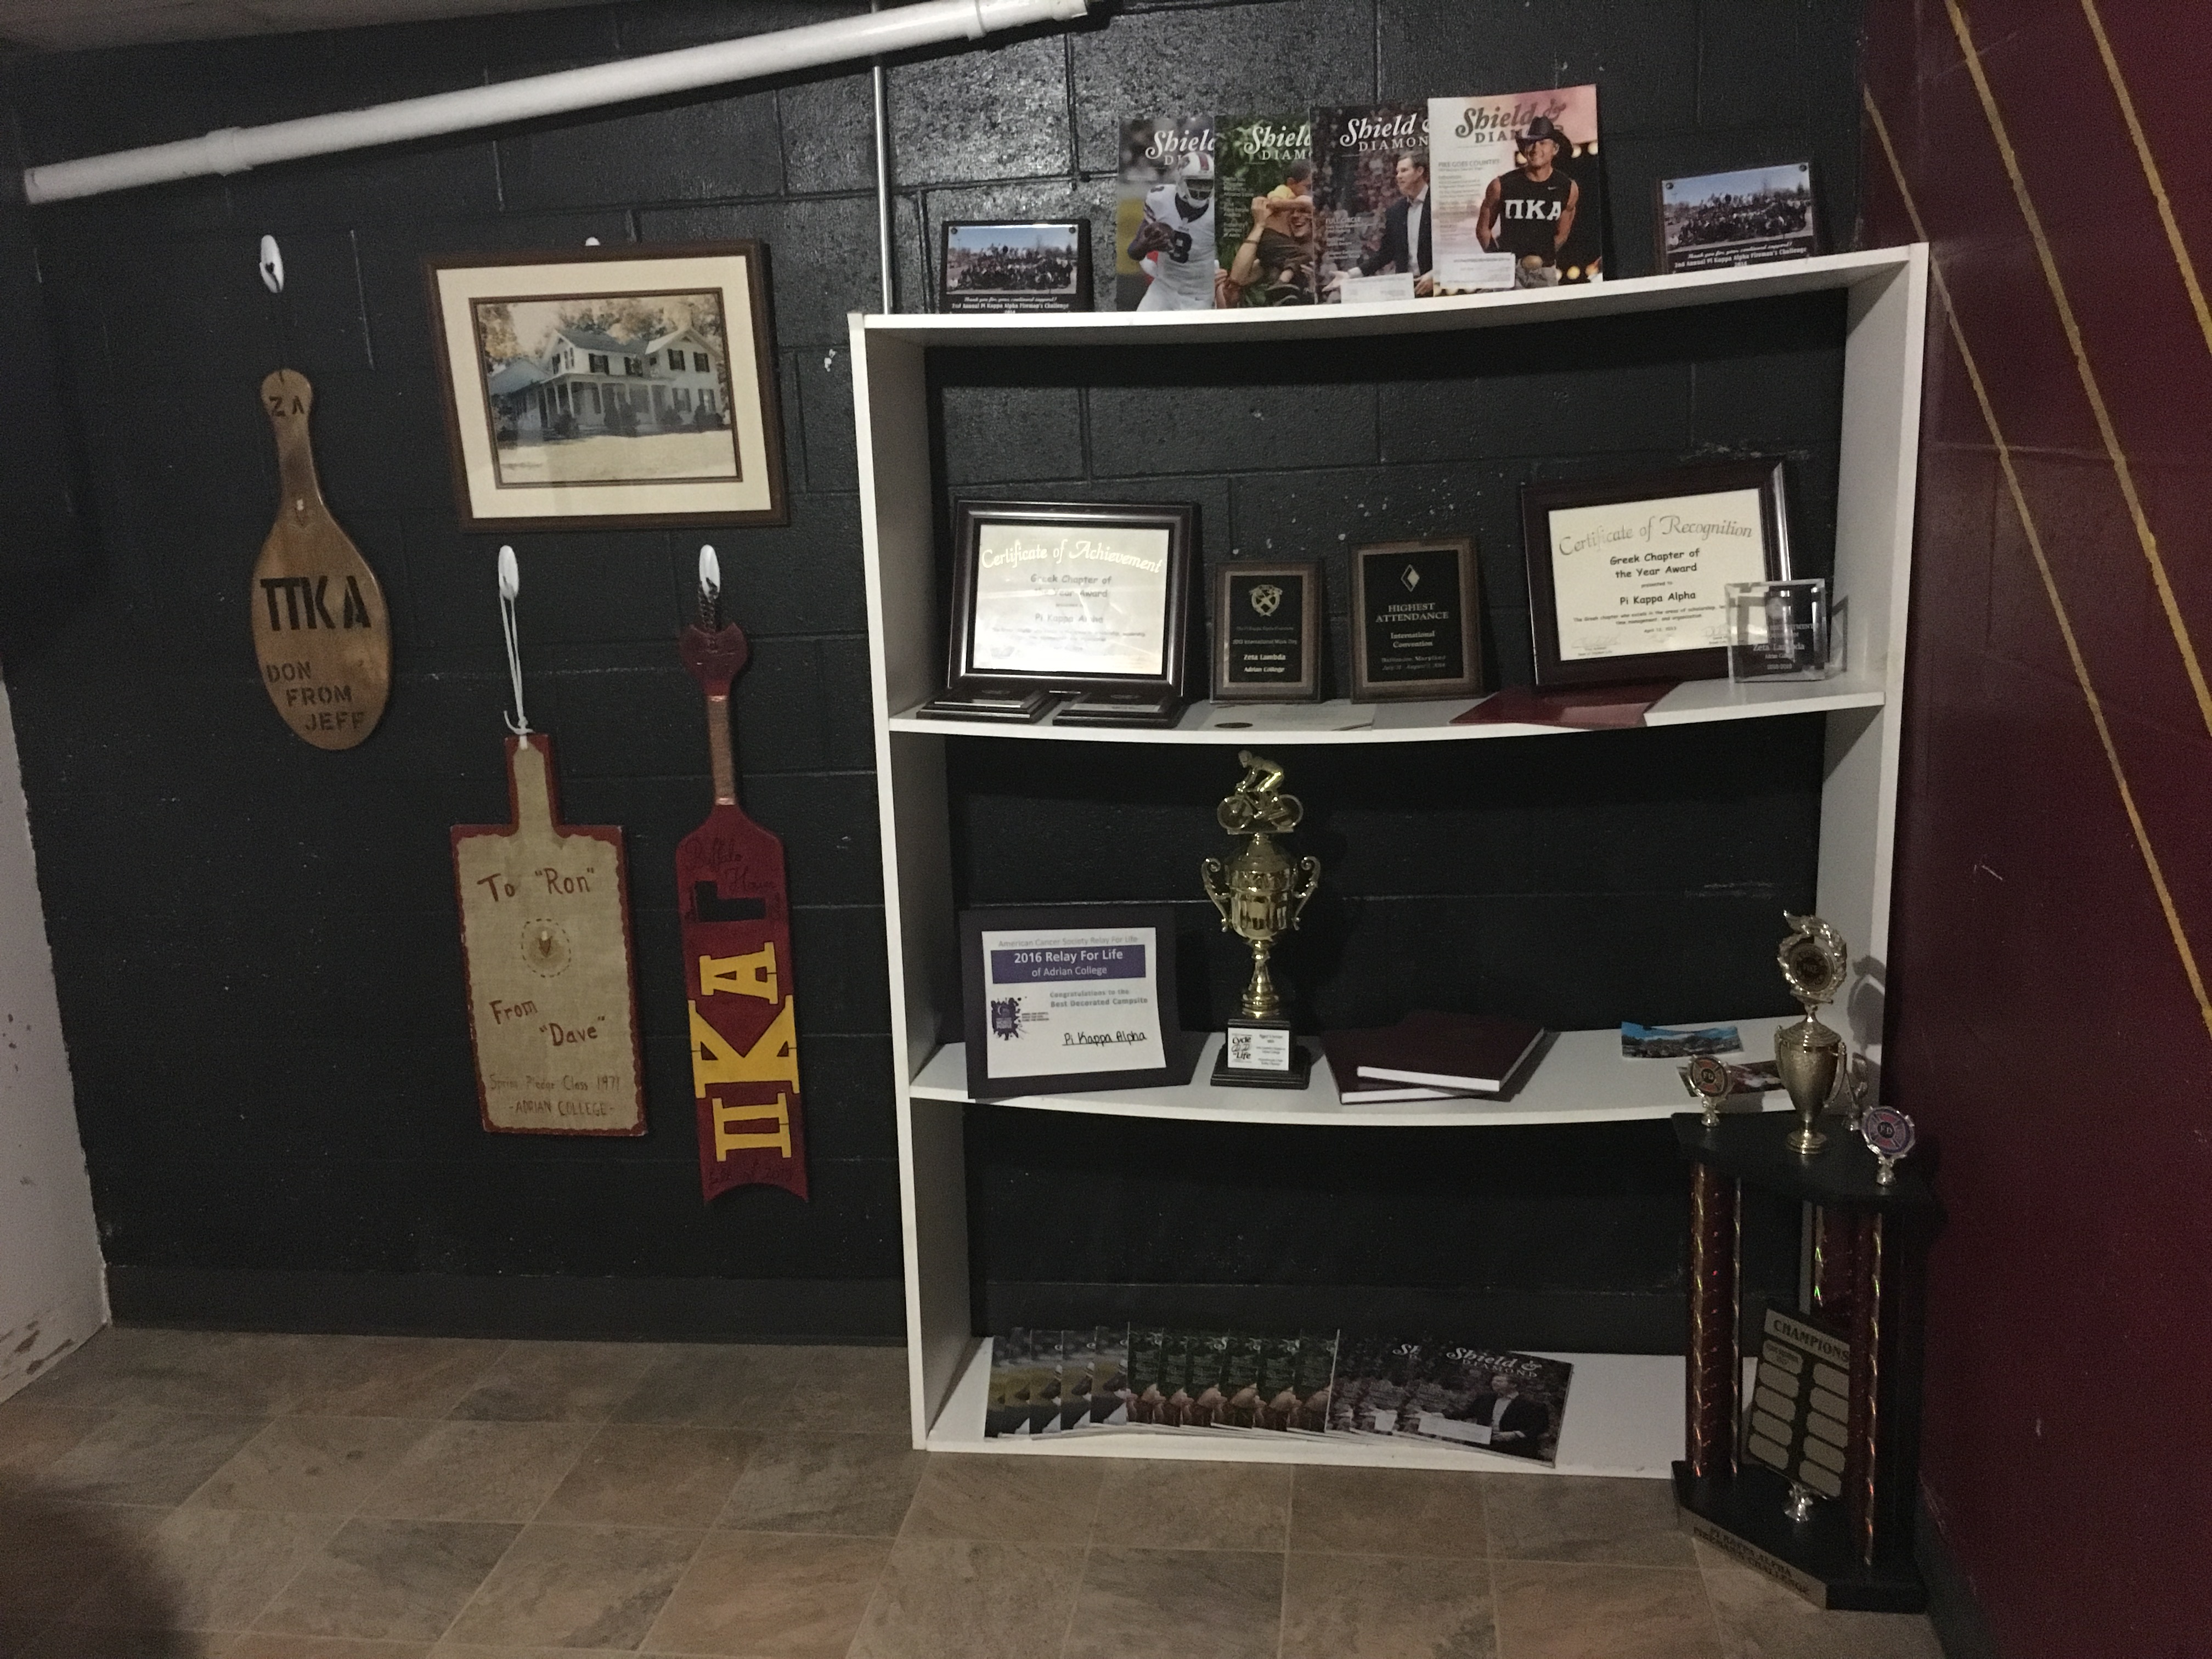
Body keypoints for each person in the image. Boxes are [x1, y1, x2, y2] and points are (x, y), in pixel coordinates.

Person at [1476, 115, 1579, 287]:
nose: (1535, 149)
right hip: (1509, 272)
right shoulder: (1501, 185)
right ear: (1524, 149)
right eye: (1530, 143)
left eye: (1542, 143)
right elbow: (1483, 229)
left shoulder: (1568, 187)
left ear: (1555, 149)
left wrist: (1545, 255)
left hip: (1545, 271)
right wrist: (1499, 262)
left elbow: (1563, 233)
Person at [1127, 150, 1219, 311]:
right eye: (1195, 183)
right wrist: (1147, 245)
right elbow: (1133, 252)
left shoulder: (1217, 211)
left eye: (1206, 183)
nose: (1202, 189)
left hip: (1199, 296)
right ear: (1181, 181)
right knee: (1139, 331)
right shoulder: (1160, 199)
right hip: (1164, 288)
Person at [1358, 151, 1435, 296]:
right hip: (1408, 291)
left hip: (1440, 291)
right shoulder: (1395, 211)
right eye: (1397, 172)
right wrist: (1352, 274)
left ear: (1420, 171)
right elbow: (1386, 253)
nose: (1398, 176)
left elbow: (1456, 250)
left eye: (1404, 171)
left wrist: (1437, 275)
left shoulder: (1440, 202)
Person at [1226, 190, 1317, 306]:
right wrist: (1259, 226)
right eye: (1292, 212)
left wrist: (1314, 284)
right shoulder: (1283, 253)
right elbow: (1238, 279)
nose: (1295, 216)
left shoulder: (1328, 254)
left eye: (1304, 211)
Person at [1471, 1371, 1550, 1458]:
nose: (1494, 1383)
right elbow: (1467, 1413)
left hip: (1515, 1447)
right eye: (1494, 1380)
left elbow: (1541, 1427)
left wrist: (1515, 1435)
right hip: (1484, 1442)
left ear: (1513, 1385)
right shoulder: (1485, 1398)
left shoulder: (1532, 1404)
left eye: (1500, 1381)